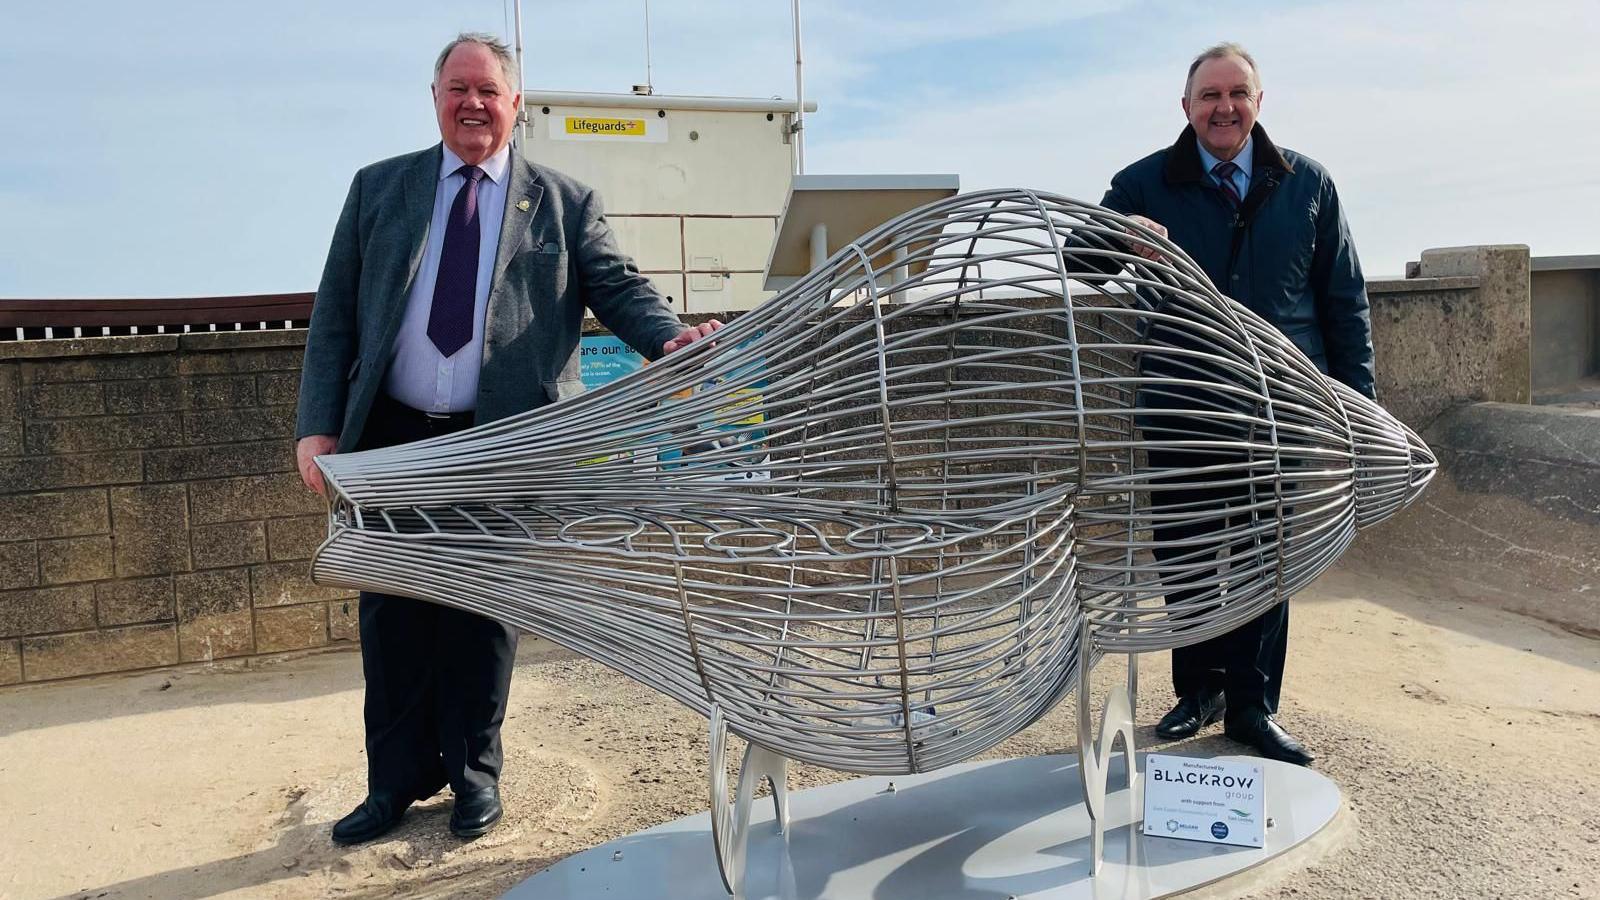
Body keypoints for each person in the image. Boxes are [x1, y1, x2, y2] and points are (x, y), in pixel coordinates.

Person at [293, 32, 720, 844]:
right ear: (434, 98)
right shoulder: (379, 189)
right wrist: (316, 429)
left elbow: (619, 287)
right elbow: (336, 316)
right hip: (392, 441)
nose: (474, 104)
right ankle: (395, 782)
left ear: (516, 103)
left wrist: (667, 340)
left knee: (484, 617)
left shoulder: (564, 202)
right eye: (458, 88)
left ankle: (473, 780)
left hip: (504, 442)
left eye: (489, 90)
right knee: (392, 616)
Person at [1099, 42, 1374, 766]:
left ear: (1258, 101)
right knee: (1187, 557)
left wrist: (1359, 406)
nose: (1224, 108)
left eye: (1238, 94)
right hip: (1183, 404)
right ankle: (1198, 692)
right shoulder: (1142, 184)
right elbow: (1080, 259)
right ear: (1185, 108)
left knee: (1264, 560)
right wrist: (1117, 236)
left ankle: (1253, 705)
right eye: (1209, 96)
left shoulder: (1308, 183)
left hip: (1278, 409)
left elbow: (1344, 299)